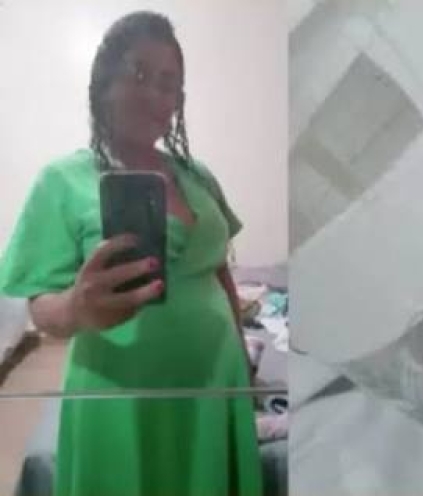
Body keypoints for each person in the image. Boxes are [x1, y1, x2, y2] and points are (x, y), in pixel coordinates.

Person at [0, 12, 262, 496]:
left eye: (168, 82)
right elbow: (40, 307)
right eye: (138, 74)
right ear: (104, 83)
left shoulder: (198, 175)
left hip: (216, 379)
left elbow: (218, 268)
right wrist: (76, 307)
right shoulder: (61, 181)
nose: (155, 95)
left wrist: (243, 352)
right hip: (121, 393)